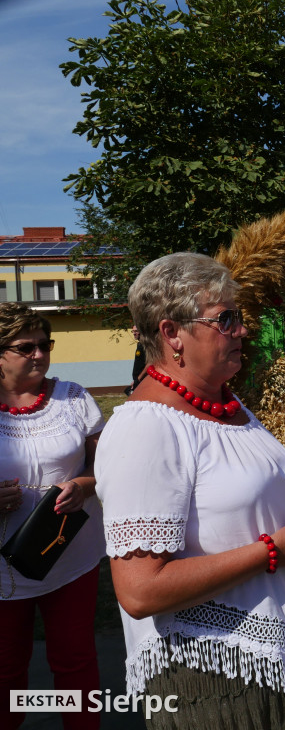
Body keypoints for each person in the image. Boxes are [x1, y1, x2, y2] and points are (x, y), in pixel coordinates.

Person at [94, 253, 285, 729]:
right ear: (171, 333)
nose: (242, 331)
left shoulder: (225, 402)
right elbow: (141, 591)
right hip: (206, 676)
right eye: (225, 320)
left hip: (259, 661)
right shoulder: (146, 429)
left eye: (239, 318)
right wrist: (271, 552)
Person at [0, 303, 105, 730]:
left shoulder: (73, 397)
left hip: (69, 554)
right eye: (26, 347)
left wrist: (84, 485)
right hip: (3, 570)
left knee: (75, 662)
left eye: (45, 344)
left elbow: (109, 463)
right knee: (5, 671)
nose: (40, 354)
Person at [125, 324, 147, 395]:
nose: (134, 333)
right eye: (133, 331)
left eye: (136, 331)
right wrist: (135, 380)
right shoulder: (139, 345)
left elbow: (150, 363)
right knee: (127, 391)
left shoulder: (146, 346)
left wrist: (139, 379)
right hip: (137, 380)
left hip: (143, 380)